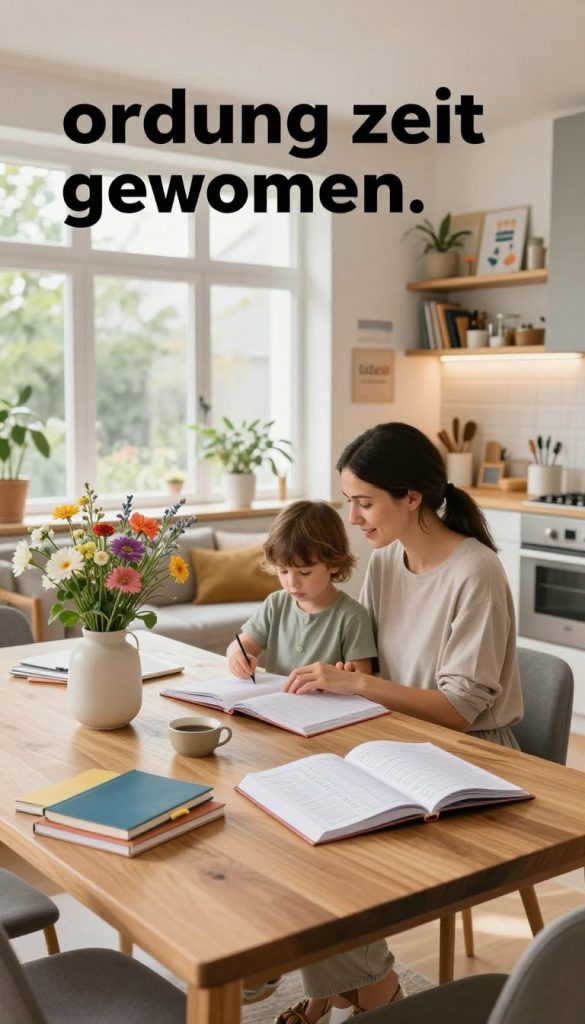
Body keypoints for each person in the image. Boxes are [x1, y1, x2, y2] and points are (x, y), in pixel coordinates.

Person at [276, 422, 523, 1023]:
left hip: (472, 759)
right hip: (400, 744)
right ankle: (352, 988)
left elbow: (461, 709)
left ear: (411, 497)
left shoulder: (475, 572)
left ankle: (366, 992)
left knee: (332, 852)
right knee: (296, 822)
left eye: (364, 502)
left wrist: (357, 682)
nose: (354, 518)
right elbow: (375, 663)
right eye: (349, 501)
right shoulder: (386, 564)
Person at [226, 499, 377, 682]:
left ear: (334, 564)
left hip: (324, 708)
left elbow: (363, 678)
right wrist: (237, 655)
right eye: (283, 571)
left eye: (304, 572)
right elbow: (246, 642)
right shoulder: (276, 604)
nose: (292, 583)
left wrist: (345, 676)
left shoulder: (352, 616)